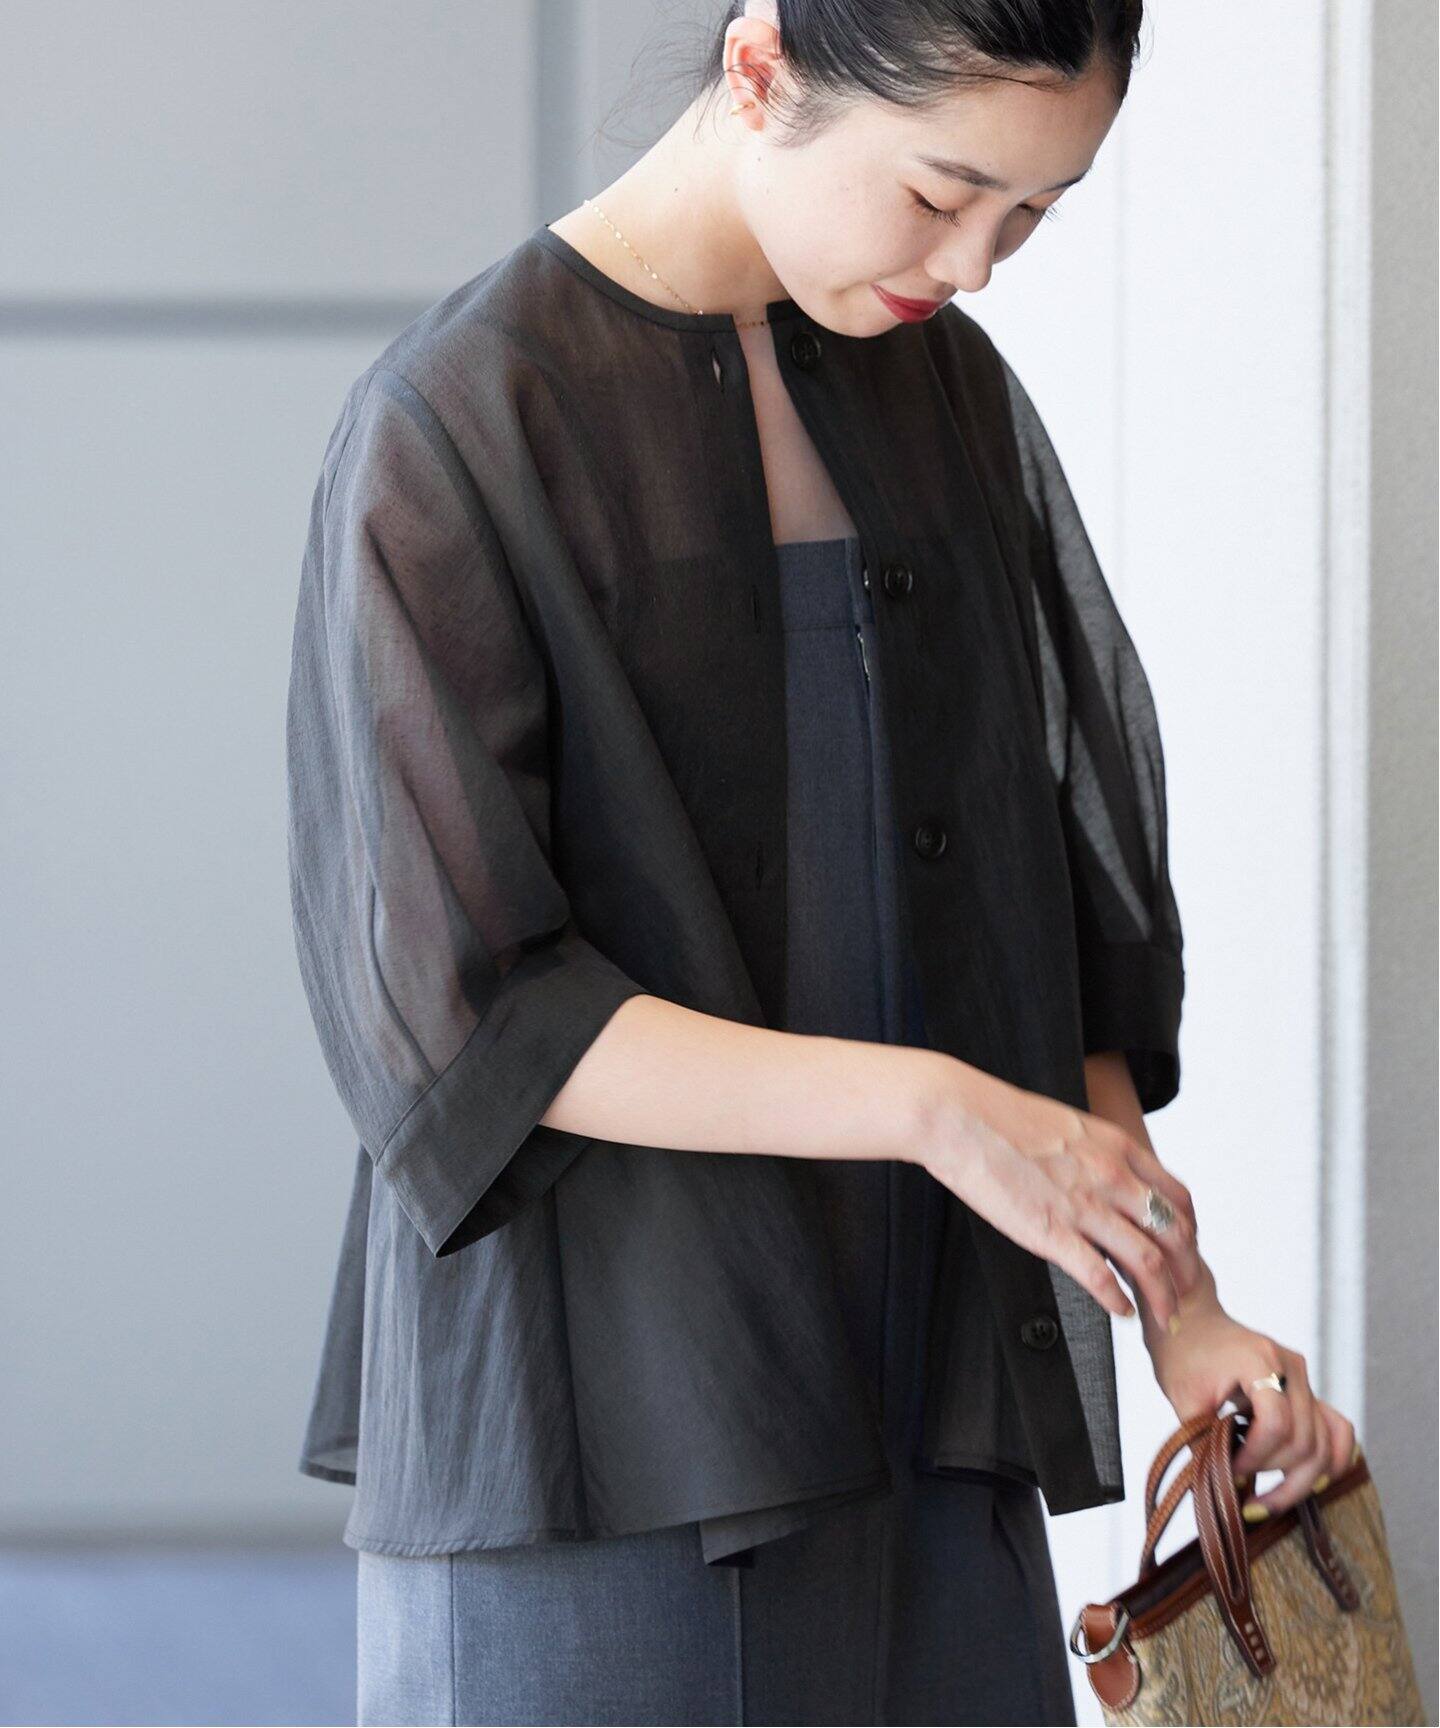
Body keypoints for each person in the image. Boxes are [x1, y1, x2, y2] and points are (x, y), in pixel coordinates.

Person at [285, 2, 1359, 1722]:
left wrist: (1183, 1313)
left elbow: (1044, 929)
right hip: (601, 1445)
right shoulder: (463, 422)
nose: (977, 263)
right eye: (941, 193)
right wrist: (930, 1109)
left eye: (1034, 212)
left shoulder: (945, 394)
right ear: (762, 62)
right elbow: (470, 1017)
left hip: (937, 1417)